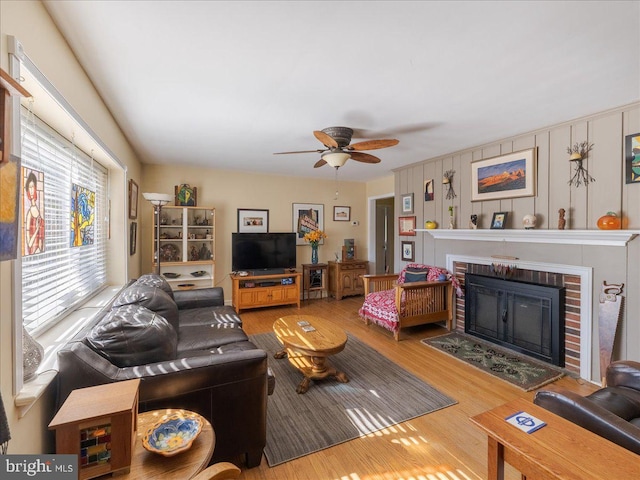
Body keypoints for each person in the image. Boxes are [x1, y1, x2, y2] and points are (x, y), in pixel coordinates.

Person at [24, 171, 44, 255]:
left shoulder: (40, 211)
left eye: (32, 187)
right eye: (29, 188)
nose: (31, 190)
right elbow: (29, 243)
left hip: (40, 250)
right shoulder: (29, 214)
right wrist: (36, 229)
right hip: (33, 251)